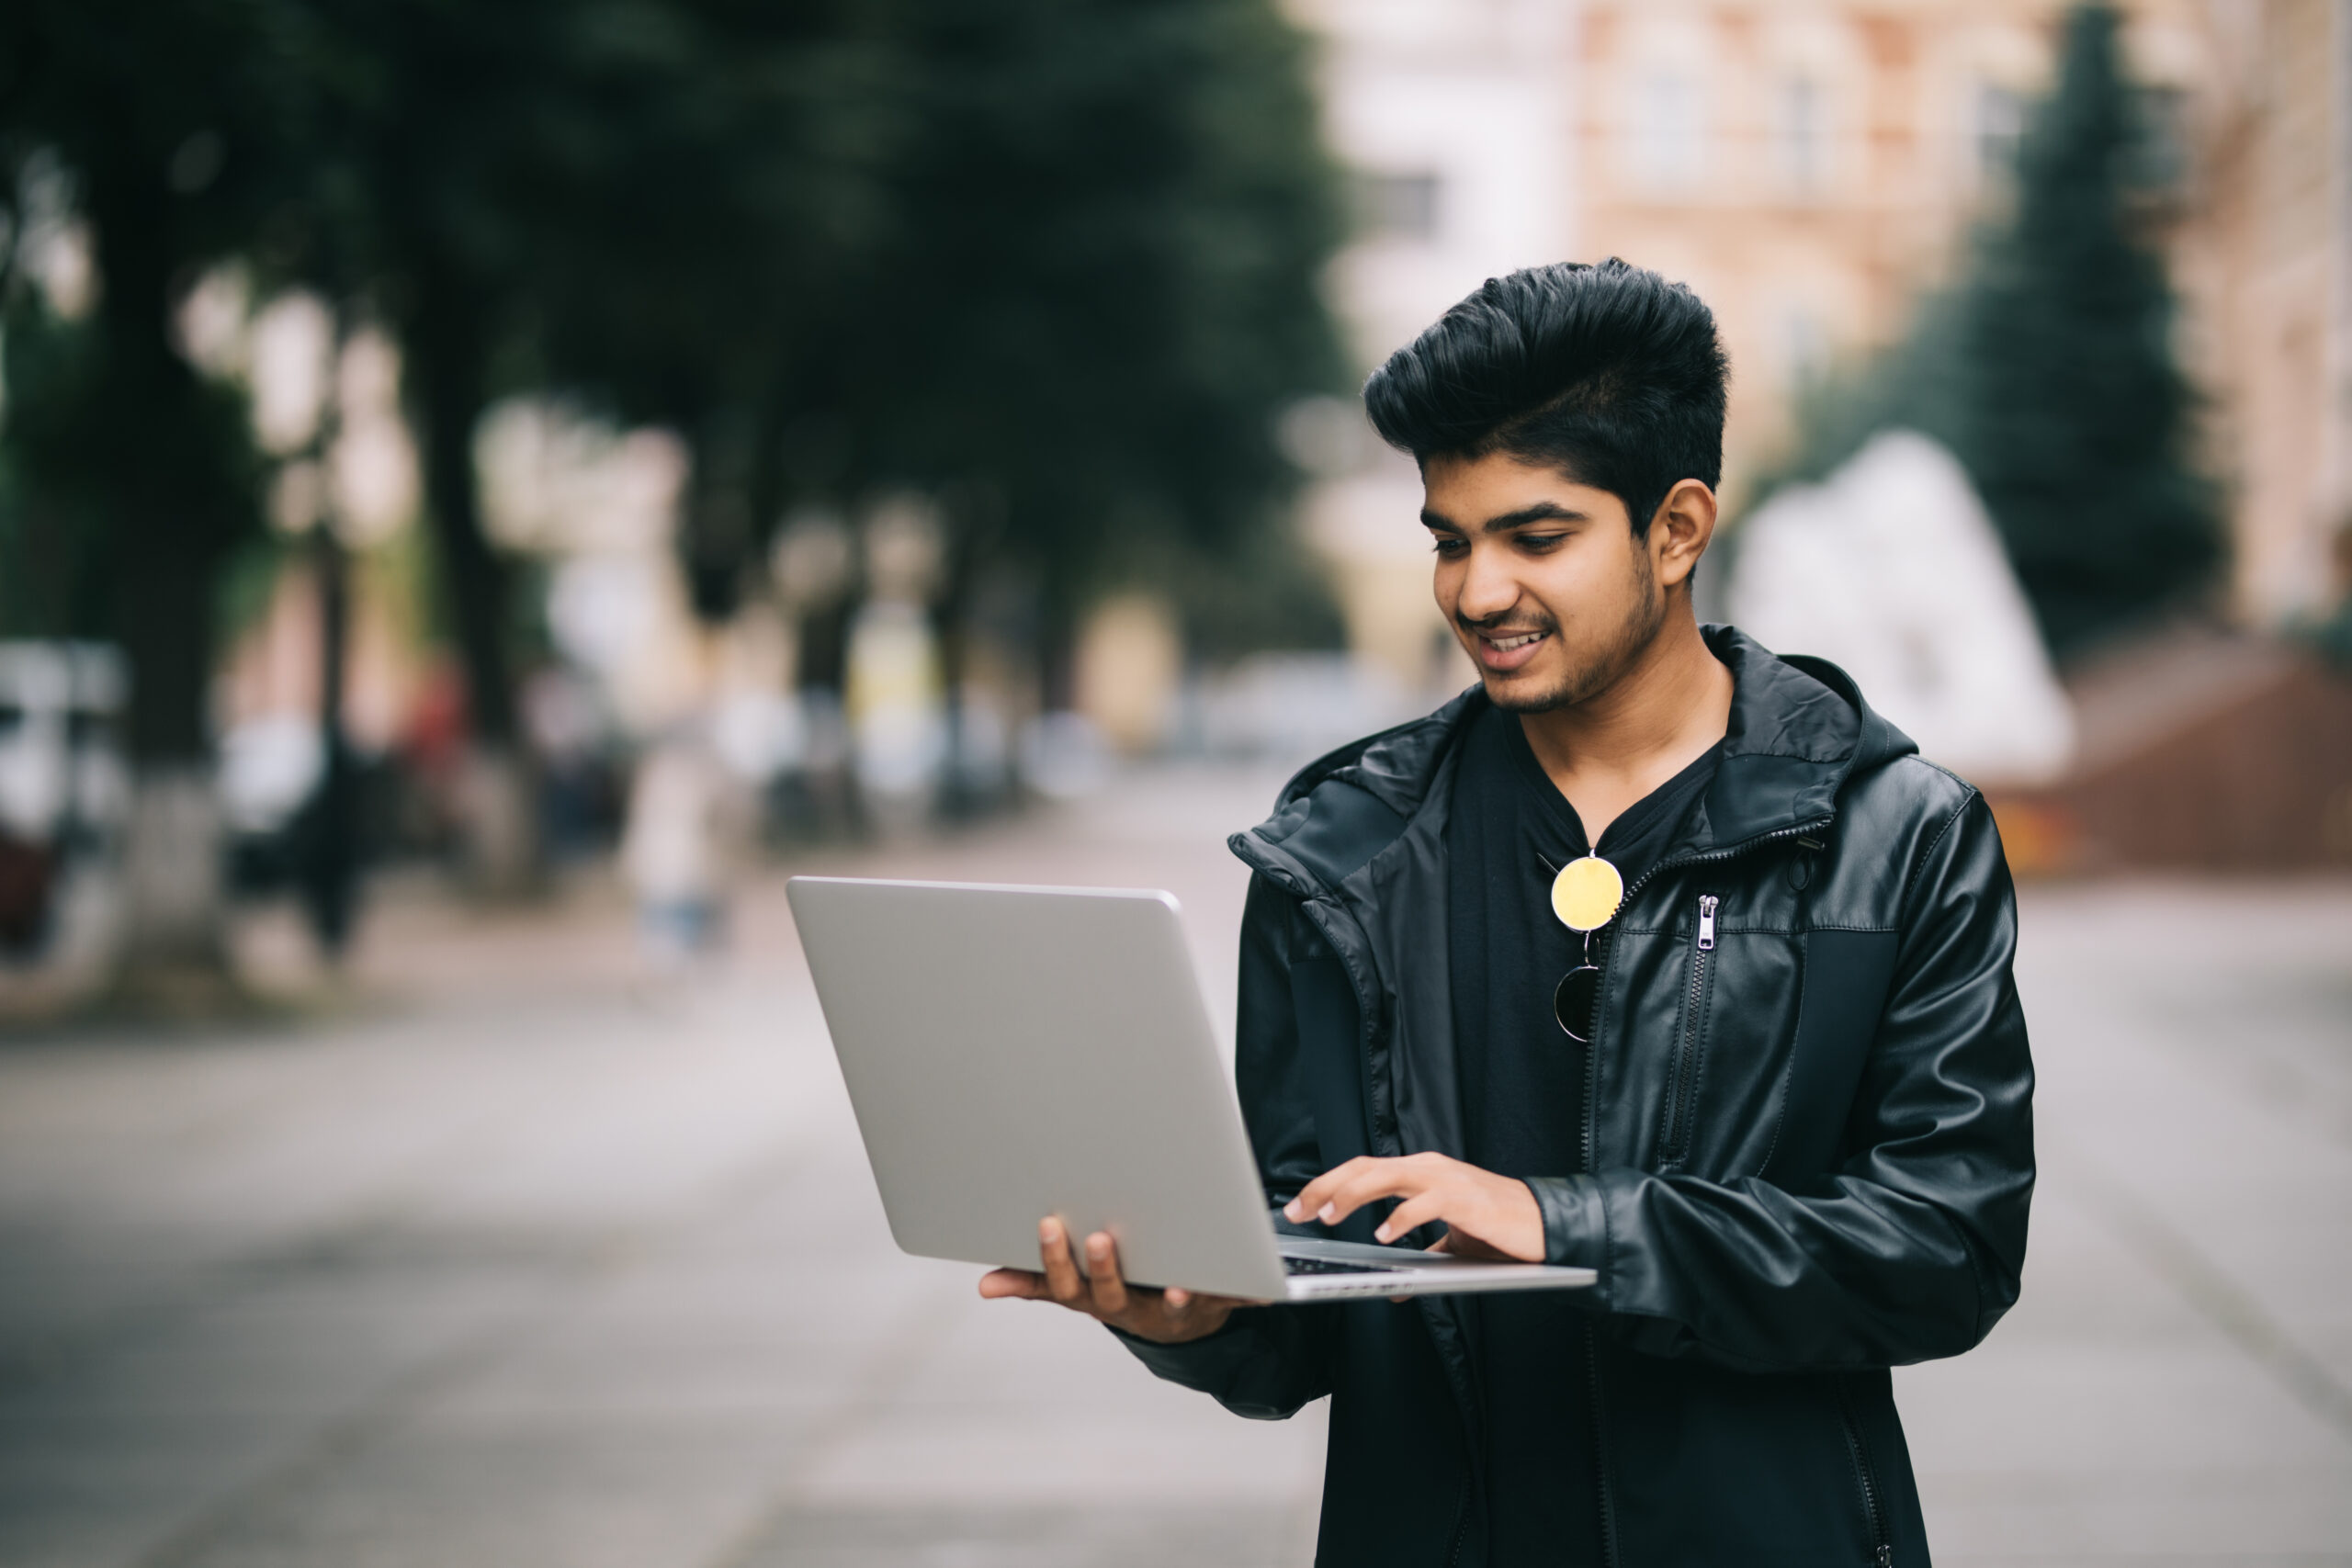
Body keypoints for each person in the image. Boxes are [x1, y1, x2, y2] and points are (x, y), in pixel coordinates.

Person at [980, 259, 2034, 1566]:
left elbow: (1947, 1248)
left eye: (1536, 538)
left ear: (1678, 528)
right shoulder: (1341, 847)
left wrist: (1563, 1221)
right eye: (1449, 538)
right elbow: (1302, 1300)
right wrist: (1188, 1315)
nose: (1478, 592)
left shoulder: (1894, 832)